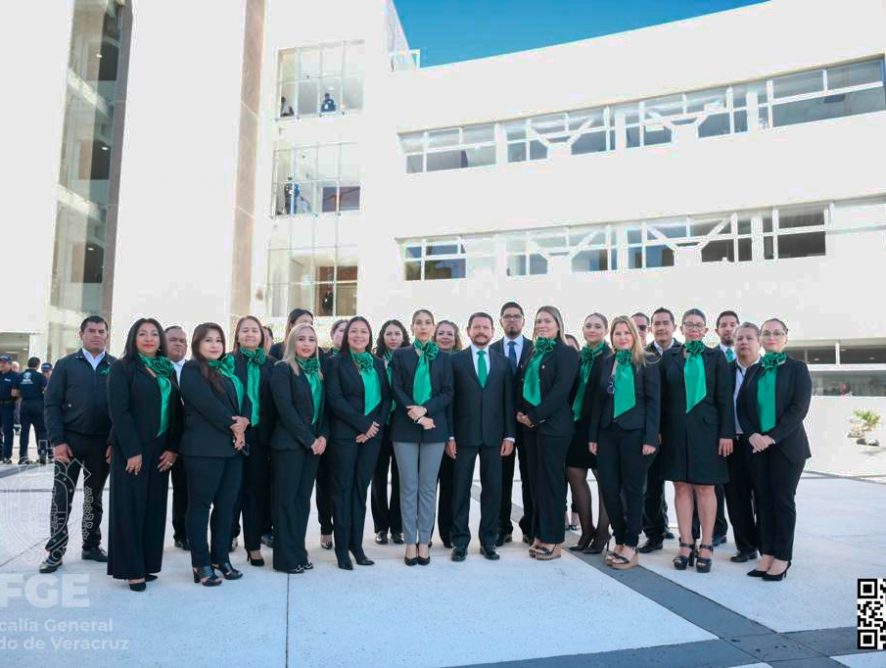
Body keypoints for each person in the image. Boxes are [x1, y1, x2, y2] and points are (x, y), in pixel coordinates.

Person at [107, 319, 181, 591]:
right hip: (133, 450)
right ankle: (131, 569)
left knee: (153, 508)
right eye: (142, 334)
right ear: (133, 338)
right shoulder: (122, 368)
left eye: (154, 334)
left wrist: (172, 448)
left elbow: (176, 413)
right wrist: (132, 451)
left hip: (161, 451)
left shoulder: (166, 370)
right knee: (130, 509)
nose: (149, 338)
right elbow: (120, 412)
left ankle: (147, 564)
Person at [659, 309, 733, 574]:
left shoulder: (716, 358)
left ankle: (707, 544)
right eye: (688, 324)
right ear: (681, 328)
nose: (693, 329)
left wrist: (727, 433)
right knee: (680, 486)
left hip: (709, 434)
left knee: (705, 488)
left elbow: (725, 399)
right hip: (676, 433)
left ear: (705, 330)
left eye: (698, 325)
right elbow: (661, 399)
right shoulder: (669, 358)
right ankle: (685, 544)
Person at [39, 316, 114, 573]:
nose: (96, 335)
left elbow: (121, 409)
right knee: (62, 498)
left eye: (101, 331)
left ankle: (91, 545)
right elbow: (51, 404)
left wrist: (113, 441)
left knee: (94, 498)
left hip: (100, 444)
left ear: (107, 335)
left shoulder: (115, 366)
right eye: (91, 331)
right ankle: (56, 550)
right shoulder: (66, 365)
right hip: (69, 442)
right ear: (81, 335)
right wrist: (57, 441)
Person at [738, 318, 811, 581]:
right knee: (763, 501)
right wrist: (753, 435)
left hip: (787, 448)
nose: (771, 337)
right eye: (766, 333)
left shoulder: (798, 369)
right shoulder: (754, 370)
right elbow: (742, 407)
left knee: (782, 501)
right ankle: (766, 553)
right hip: (758, 448)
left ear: (785, 337)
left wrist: (772, 437)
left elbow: (798, 409)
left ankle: (782, 557)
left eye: (776, 333)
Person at [179, 323, 249, 586]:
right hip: (203, 450)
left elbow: (246, 401)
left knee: (226, 506)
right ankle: (201, 563)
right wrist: (234, 424)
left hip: (233, 450)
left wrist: (245, 421)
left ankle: (221, 558)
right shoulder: (192, 369)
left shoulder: (229, 371)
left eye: (219, 340)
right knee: (199, 507)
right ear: (197, 344)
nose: (214, 345)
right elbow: (206, 404)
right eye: (208, 340)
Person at [589, 316, 660, 570]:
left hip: (636, 433)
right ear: (612, 337)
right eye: (617, 334)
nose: (621, 337)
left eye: (626, 333)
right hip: (608, 433)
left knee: (632, 490)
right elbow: (598, 401)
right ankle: (619, 539)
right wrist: (593, 436)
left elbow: (654, 402)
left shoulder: (648, 362)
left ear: (634, 336)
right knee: (608, 488)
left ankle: (631, 543)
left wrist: (651, 437)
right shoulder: (606, 361)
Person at [447, 312, 515, 561]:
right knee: (460, 489)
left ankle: (488, 541)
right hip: (463, 436)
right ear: (468, 331)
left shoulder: (503, 362)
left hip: (495, 437)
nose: (481, 331)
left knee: (493, 490)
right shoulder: (455, 361)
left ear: (492, 331)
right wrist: (450, 436)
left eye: (485, 327)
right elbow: (450, 402)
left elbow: (508, 401)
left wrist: (510, 436)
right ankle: (460, 542)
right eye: (476, 327)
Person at [326, 317, 391, 570]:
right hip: (345, 435)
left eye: (364, 331)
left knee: (360, 492)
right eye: (354, 331)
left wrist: (374, 427)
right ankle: (342, 550)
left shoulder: (377, 363)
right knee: (342, 492)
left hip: (371, 438)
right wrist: (362, 424)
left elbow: (387, 398)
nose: (359, 335)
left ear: (370, 335)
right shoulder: (334, 363)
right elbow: (334, 398)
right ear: (345, 336)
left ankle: (357, 545)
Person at [390, 309, 454, 566]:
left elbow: (448, 392)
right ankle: (409, 542)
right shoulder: (401, 354)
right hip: (405, 428)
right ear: (412, 326)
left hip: (434, 428)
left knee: (428, 488)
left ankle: (424, 541)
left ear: (434, 326)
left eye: (428, 322)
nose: (424, 326)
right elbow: (396, 388)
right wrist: (416, 415)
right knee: (408, 487)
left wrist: (426, 410)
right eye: (419, 322)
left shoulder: (444, 357)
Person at [516, 306, 579, 561]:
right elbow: (522, 385)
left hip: (553, 428)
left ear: (558, 323)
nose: (542, 324)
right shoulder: (533, 351)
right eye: (539, 320)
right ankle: (539, 533)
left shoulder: (567, 353)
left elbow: (560, 391)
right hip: (530, 429)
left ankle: (553, 539)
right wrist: (521, 414)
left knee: (552, 484)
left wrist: (534, 416)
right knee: (536, 484)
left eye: (548, 320)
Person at [269, 323, 329, 573]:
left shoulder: (318, 371)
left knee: (302, 502)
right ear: (292, 343)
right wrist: (310, 439)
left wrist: (323, 435)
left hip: (313, 447)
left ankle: (299, 552)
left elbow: (324, 410)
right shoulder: (282, 369)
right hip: (290, 446)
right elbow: (286, 411)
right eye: (301, 339)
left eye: (311, 340)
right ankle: (285, 559)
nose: (306, 343)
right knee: (286, 502)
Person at [230, 316, 276, 567]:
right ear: (237, 335)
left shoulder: (272, 364)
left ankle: (253, 546)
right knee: (229, 492)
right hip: (231, 434)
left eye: (254, 331)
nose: (249, 334)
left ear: (261, 336)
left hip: (260, 437)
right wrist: (237, 424)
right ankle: (226, 537)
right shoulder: (227, 362)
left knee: (255, 493)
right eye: (244, 330)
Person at [489, 301, 534, 546]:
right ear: (501, 321)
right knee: (501, 478)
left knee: (530, 478)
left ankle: (530, 527)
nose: (512, 320)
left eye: (517, 316)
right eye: (508, 317)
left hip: (529, 425)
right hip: (501, 426)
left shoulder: (536, 348)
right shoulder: (491, 350)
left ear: (523, 321)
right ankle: (501, 527)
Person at [566, 313, 611, 554]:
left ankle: (603, 532)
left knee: (604, 478)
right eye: (588, 326)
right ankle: (586, 529)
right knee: (574, 472)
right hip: (577, 423)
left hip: (601, 426)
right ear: (583, 330)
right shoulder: (579, 357)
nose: (592, 330)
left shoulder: (610, 357)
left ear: (605, 330)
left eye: (597, 326)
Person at [639, 307, 681, 554]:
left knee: (685, 485)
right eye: (657, 323)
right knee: (651, 487)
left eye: (666, 322)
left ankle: (693, 535)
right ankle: (653, 534)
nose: (661, 327)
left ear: (674, 326)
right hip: (650, 431)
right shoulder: (643, 354)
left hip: (679, 430)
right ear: (651, 328)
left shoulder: (686, 353)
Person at [725, 322, 762, 564]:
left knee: (764, 497)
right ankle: (746, 546)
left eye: (749, 338)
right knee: (736, 499)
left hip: (761, 443)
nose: (744, 342)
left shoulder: (768, 370)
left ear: (759, 342)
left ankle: (767, 544)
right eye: (740, 338)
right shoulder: (724, 370)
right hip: (733, 443)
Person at [371, 319, 409, 545]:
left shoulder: (410, 359)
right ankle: (380, 527)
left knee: (400, 477)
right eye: (389, 334)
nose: (393, 338)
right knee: (378, 476)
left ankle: (398, 526)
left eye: (397, 333)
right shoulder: (375, 362)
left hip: (402, 422)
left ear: (404, 336)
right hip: (380, 424)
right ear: (382, 337)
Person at [315, 318, 347, 551]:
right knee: (324, 484)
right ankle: (326, 528)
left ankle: (344, 528)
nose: (345, 335)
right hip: (324, 430)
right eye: (341, 331)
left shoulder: (359, 361)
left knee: (341, 485)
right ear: (333, 334)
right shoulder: (322, 360)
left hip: (346, 433)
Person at [433, 319, 462, 548]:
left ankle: (448, 532)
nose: (444, 337)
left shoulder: (460, 361)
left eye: (449, 334)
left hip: (455, 432)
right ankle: (425, 533)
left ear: (456, 337)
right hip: (431, 430)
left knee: (451, 486)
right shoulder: (427, 360)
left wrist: (452, 435)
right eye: (441, 333)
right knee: (428, 486)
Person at [165, 325, 190, 550]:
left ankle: (182, 533)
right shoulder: (156, 368)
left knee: (185, 490)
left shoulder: (193, 369)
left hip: (187, 441)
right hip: (161, 442)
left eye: (183, 340)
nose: (179, 344)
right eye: (173, 339)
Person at [13, 357, 48, 465]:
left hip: (25, 405)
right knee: (42, 431)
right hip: (38, 405)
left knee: (24, 431)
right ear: (37, 365)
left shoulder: (19, 376)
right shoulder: (40, 376)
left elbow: (14, 393)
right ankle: (42, 453)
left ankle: (23, 456)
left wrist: (24, 394)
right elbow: (46, 390)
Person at [0, 354, 17, 464]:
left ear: (10, 364)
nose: (1, 364)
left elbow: (18, 393)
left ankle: (6, 455)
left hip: (8, 406)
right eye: (1, 362)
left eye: (4, 363)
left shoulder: (15, 376)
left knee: (7, 432)